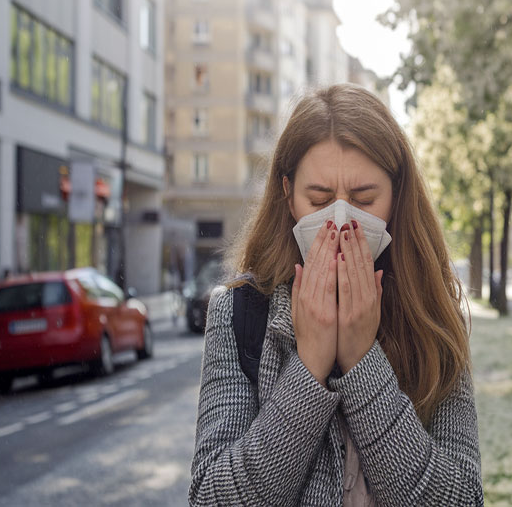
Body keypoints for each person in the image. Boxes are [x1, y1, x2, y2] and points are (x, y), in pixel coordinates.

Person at [189, 84, 483, 506]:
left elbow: (460, 499)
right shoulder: (237, 313)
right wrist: (309, 367)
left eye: (364, 199)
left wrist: (363, 362)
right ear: (288, 195)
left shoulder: (433, 314)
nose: (341, 219)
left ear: (396, 196)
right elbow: (211, 499)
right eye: (319, 199)